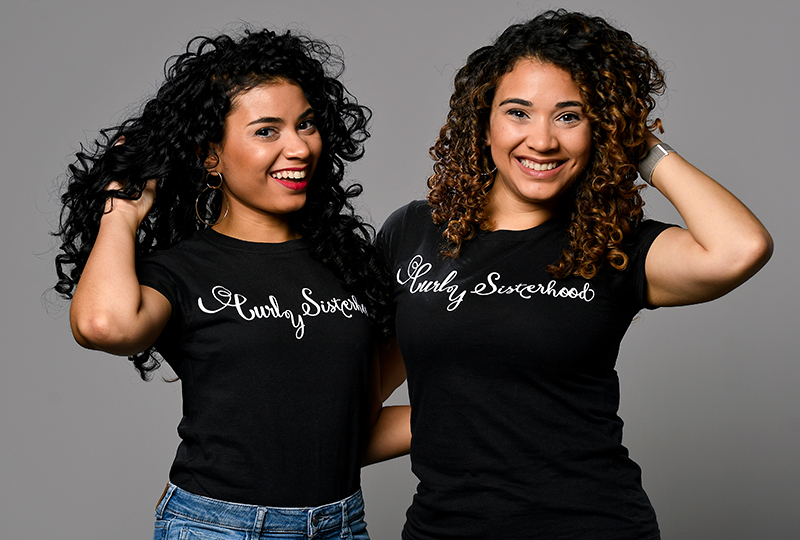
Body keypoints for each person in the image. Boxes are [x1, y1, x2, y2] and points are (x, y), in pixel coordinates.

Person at [377, 9, 773, 540]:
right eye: (518, 112)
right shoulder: (415, 231)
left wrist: (640, 145)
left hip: (593, 524)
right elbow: (356, 397)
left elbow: (741, 248)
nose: (541, 141)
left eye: (570, 116)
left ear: (600, 127)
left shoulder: (615, 242)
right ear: (484, 121)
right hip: (442, 527)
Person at [54, 27, 409, 540]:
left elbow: (351, 423)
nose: (298, 147)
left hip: (340, 524)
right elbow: (103, 325)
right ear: (210, 156)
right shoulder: (180, 271)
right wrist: (122, 211)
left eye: (306, 124)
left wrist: (491, 414)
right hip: (220, 528)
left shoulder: (349, 266)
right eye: (267, 130)